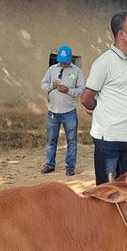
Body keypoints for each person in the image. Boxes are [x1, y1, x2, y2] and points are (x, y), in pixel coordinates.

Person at [81, 12, 127, 185]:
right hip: (108, 138)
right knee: (107, 189)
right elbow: (86, 98)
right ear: (121, 34)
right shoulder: (104, 62)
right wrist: (97, 109)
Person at [40, 45, 85, 176]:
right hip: (53, 112)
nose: (62, 62)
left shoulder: (77, 72)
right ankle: (49, 164)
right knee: (51, 140)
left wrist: (68, 90)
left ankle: (70, 166)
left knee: (71, 141)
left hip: (69, 112)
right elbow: (43, 84)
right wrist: (51, 86)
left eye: (65, 59)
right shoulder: (52, 69)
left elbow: (81, 90)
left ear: (70, 58)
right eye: (61, 59)